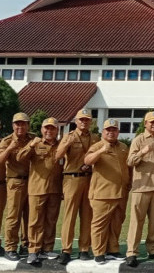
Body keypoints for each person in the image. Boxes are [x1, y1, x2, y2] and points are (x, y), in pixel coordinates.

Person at [125, 111, 154, 267]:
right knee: (137, 222)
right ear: (145, 123)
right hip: (141, 187)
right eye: (151, 122)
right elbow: (130, 161)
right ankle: (132, 252)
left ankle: (153, 249)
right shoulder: (139, 140)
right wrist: (142, 153)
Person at [55, 108, 100, 264]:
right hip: (72, 178)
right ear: (76, 121)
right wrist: (65, 144)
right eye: (81, 119)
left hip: (89, 179)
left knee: (87, 215)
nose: (84, 122)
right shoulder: (69, 137)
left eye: (87, 119)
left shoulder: (95, 138)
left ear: (91, 121)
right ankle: (66, 249)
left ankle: (84, 248)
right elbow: (57, 156)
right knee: (70, 215)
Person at [84, 119, 130, 264]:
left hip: (121, 192)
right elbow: (87, 161)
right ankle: (99, 252)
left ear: (118, 132)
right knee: (99, 224)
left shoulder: (123, 147)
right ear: (103, 132)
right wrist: (101, 151)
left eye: (114, 130)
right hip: (102, 193)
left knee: (117, 222)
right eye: (108, 130)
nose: (111, 132)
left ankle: (113, 250)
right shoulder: (97, 146)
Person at [17, 117, 62, 264]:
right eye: (46, 128)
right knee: (35, 221)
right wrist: (31, 146)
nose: (49, 131)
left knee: (51, 220)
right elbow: (20, 158)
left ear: (57, 130)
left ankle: (47, 249)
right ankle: (33, 250)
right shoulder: (35, 143)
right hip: (37, 188)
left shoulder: (61, 145)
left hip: (55, 189)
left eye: (52, 128)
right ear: (42, 129)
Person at [0, 112, 34, 261]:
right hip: (15, 181)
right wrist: (9, 149)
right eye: (17, 123)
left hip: (32, 181)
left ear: (28, 125)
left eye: (23, 123)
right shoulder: (7, 141)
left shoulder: (33, 139)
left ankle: (25, 244)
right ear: (13, 125)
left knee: (29, 215)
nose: (20, 126)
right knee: (14, 216)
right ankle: (10, 247)